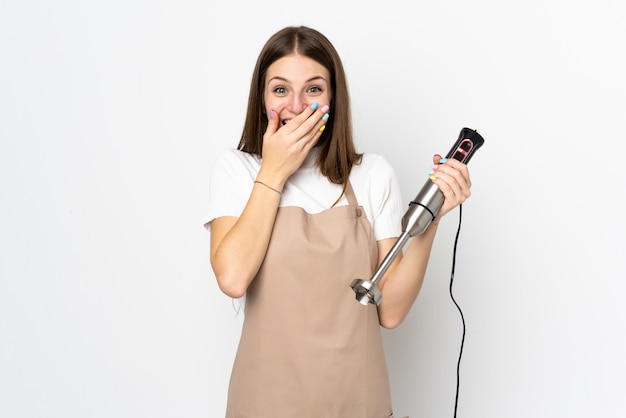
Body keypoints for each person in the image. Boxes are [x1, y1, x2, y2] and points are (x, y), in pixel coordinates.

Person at [204, 25, 472, 418]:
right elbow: (232, 278)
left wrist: (430, 221)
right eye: (280, 90)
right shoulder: (238, 171)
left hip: (357, 400)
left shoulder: (372, 174)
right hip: (264, 401)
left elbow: (391, 312)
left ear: (333, 98)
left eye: (313, 89)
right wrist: (275, 171)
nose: (297, 106)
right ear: (262, 101)